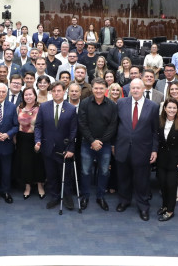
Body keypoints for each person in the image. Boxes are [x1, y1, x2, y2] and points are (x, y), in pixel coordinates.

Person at [115, 79, 160, 221]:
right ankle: (124, 201)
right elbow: (115, 126)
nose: (135, 90)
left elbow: (155, 131)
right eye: (132, 88)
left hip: (143, 150)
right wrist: (113, 145)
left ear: (143, 89)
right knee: (123, 177)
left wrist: (154, 149)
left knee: (142, 180)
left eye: (137, 88)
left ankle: (143, 206)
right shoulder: (121, 103)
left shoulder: (152, 106)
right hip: (122, 148)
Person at [35, 81, 78, 210]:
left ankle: (67, 197)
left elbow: (73, 131)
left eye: (59, 90)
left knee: (66, 175)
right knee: (51, 174)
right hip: (47, 148)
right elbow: (38, 126)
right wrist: (37, 140)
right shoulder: (44, 107)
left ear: (64, 92)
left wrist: (71, 148)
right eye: (54, 91)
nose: (56, 93)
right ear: (50, 92)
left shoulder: (71, 109)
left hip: (64, 149)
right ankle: (54, 196)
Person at [78, 78, 118, 211]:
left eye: (101, 88)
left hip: (104, 144)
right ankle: (85, 196)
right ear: (92, 89)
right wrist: (92, 141)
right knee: (85, 171)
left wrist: (100, 142)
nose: (98, 91)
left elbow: (113, 126)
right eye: (96, 88)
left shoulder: (112, 105)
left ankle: (100, 196)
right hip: (87, 143)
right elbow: (82, 124)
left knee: (104, 171)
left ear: (106, 89)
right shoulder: (84, 103)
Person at [156, 98, 178, 221]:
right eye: (169, 107)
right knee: (163, 185)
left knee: (171, 186)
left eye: (174, 108)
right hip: (161, 160)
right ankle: (165, 206)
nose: (171, 110)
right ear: (165, 108)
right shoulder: (159, 121)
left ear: (177, 110)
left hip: (175, 162)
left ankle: (170, 211)